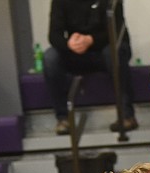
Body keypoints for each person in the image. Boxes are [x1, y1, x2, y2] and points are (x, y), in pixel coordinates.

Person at [44, 0, 138, 136]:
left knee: (114, 52)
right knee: (50, 57)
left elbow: (118, 31)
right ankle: (63, 119)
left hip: (105, 49)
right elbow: (54, 35)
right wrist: (69, 44)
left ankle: (127, 115)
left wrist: (91, 39)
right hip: (76, 52)